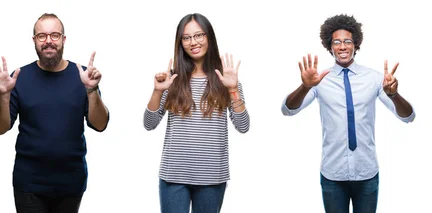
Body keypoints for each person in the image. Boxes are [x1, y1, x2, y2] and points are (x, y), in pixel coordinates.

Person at [281, 14, 415, 213]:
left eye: (347, 41)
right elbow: (287, 110)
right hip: (332, 174)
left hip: (367, 172)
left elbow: (408, 117)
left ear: (356, 44)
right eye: (337, 42)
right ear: (330, 46)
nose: (342, 47)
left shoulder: (374, 78)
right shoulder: (320, 80)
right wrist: (304, 86)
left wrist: (394, 95)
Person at [0, 13, 110, 213]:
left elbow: (100, 124)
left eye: (55, 35)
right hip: (29, 183)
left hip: (71, 182)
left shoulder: (83, 76)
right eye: (42, 36)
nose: (49, 41)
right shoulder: (19, 77)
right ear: (34, 40)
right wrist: (4, 95)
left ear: (64, 39)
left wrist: (92, 90)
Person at [143, 13, 250, 213]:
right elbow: (149, 123)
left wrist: (233, 90)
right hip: (174, 176)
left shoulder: (226, 79)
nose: (193, 42)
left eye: (199, 35)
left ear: (209, 37)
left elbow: (243, 126)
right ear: (180, 42)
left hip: (212, 177)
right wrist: (158, 90)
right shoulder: (171, 79)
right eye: (187, 37)